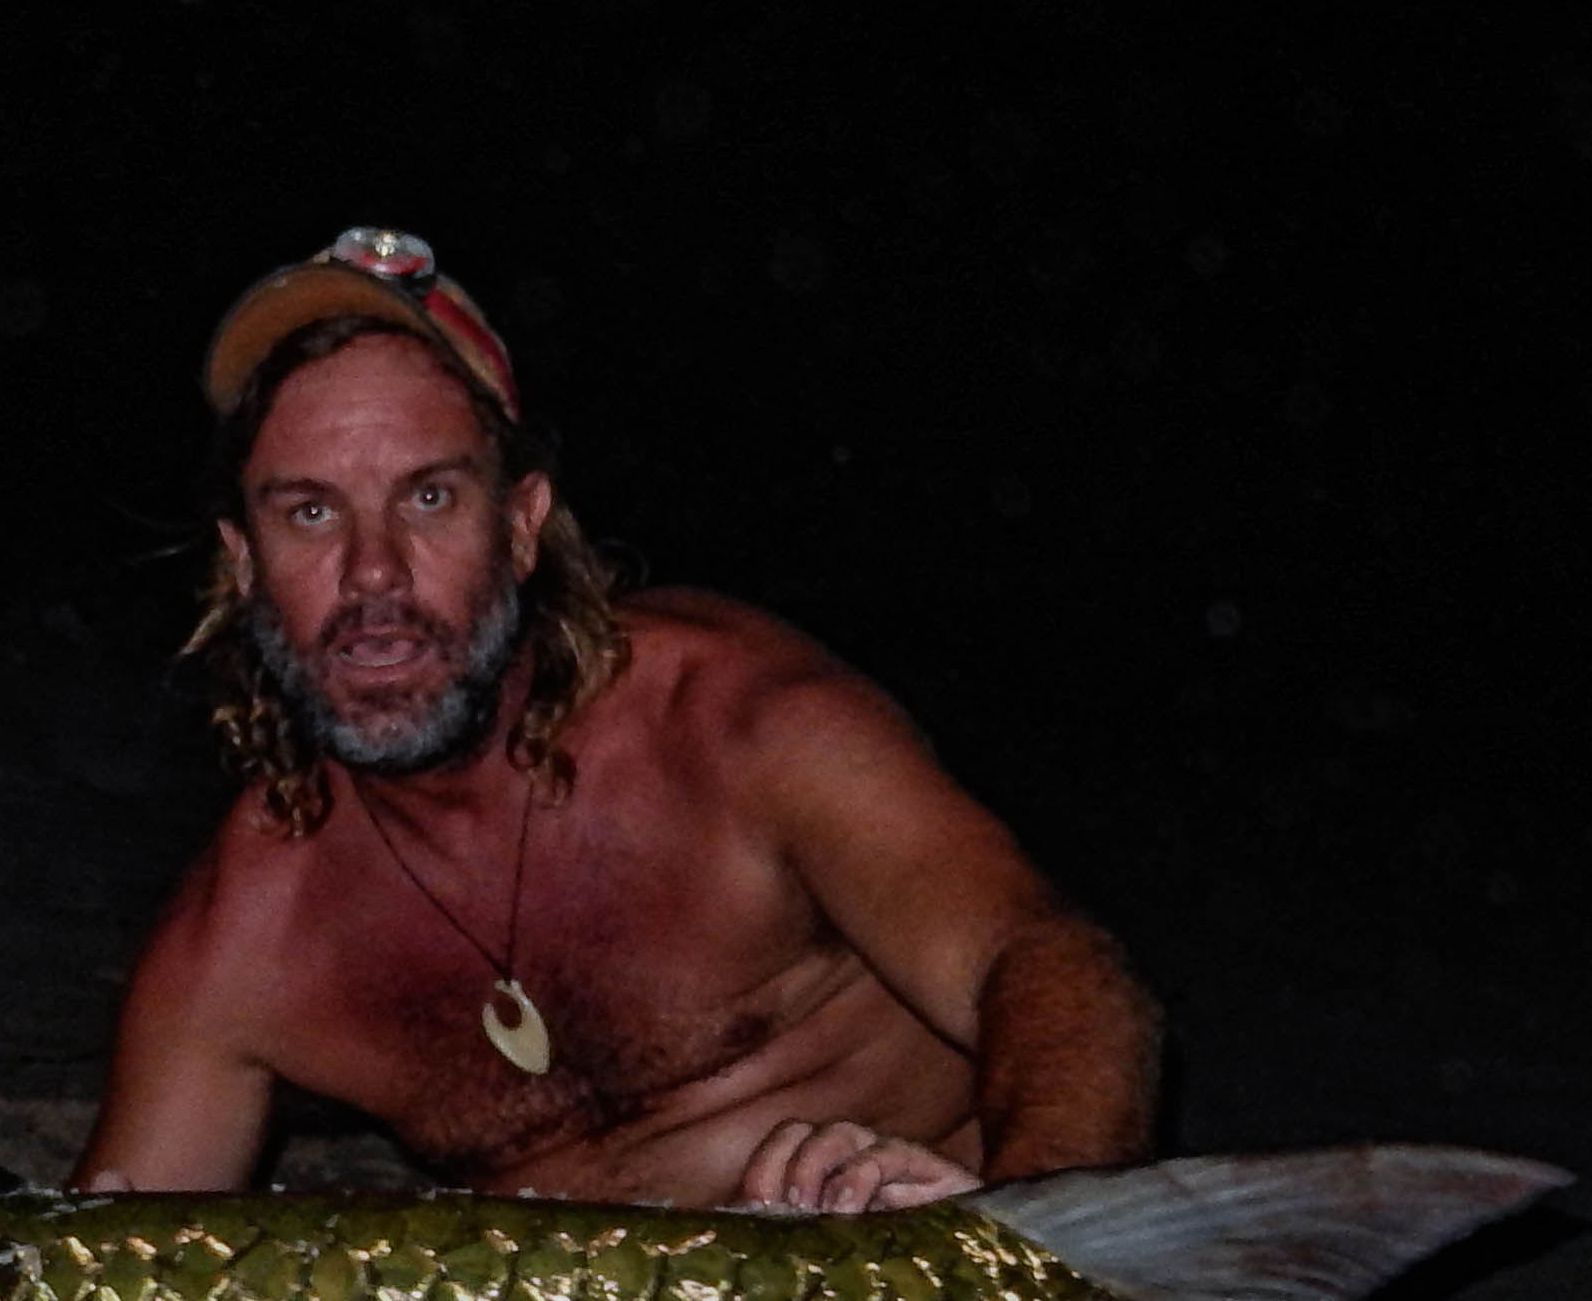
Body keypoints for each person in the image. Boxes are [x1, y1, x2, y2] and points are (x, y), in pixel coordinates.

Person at [75, 227, 1161, 1213]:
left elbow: (1054, 967)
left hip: (933, 1293)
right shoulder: (241, 938)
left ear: (519, 526)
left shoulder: (732, 725)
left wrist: (1022, 1242)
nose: (371, 574)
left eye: (429, 498)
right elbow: (93, 1292)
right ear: (244, 564)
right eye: (310, 511)